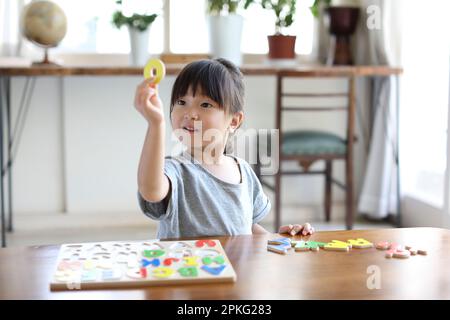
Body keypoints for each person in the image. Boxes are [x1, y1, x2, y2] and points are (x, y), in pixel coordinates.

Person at [134, 58, 314, 239]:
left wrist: (280, 239)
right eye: (181, 102)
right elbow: (151, 190)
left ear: (234, 121)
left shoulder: (243, 171)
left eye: (205, 105)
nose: (190, 113)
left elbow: (247, 228)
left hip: (236, 268)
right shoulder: (175, 170)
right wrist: (156, 124)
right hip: (190, 267)